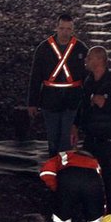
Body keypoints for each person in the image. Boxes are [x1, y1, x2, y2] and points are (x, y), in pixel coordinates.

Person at [74, 46, 111, 213]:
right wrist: (75, 125)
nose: (86, 60)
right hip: (91, 141)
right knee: (89, 179)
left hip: (109, 144)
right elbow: (83, 107)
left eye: (90, 57)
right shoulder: (89, 82)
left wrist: (106, 104)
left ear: (100, 60)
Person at [27, 14, 89, 156]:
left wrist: (87, 99)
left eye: (68, 29)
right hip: (50, 99)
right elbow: (35, 76)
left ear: (72, 30)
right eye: (62, 28)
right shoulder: (44, 48)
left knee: (66, 138)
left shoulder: (80, 48)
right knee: (53, 138)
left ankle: (64, 171)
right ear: (56, 28)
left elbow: (87, 77)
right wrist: (32, 102)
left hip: (72, 99)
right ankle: (54, 166)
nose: (65, 32)